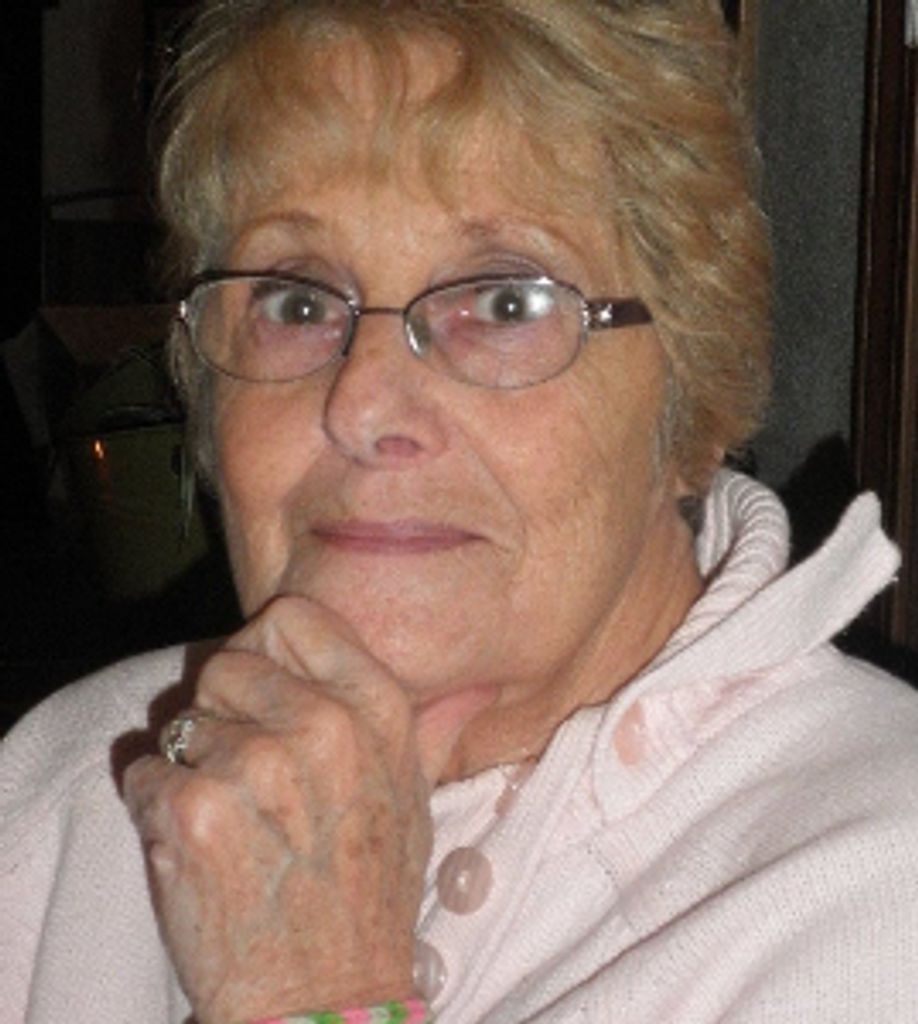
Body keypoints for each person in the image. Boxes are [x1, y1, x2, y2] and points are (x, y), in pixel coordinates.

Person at [3, 1, 918, 1021]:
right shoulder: (76, 785)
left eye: (504, 302)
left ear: (692, 402)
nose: (362, 406)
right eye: (295, 302)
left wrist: (314, 999)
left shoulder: (880, 898)